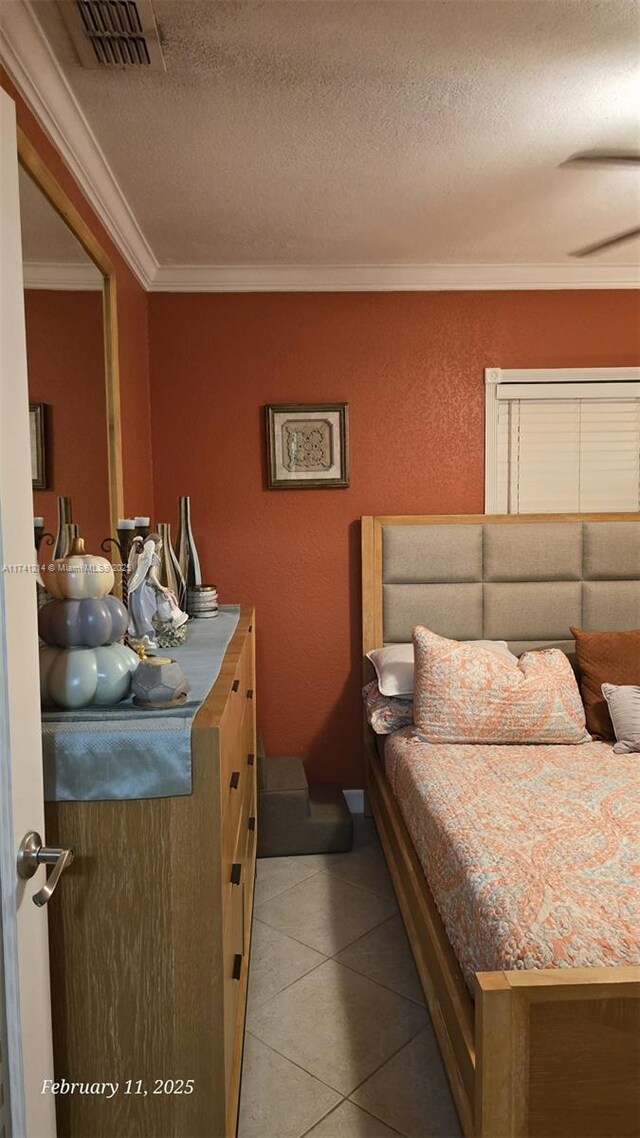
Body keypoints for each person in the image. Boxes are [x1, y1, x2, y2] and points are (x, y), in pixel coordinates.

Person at [127, 533, 188, 648]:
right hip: (145, 589)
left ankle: (138, 635)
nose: (161, 544)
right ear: (155, 544)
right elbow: (152, 576)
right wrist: (161, 587)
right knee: (145, 611)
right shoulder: (153, 557)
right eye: (160, 542)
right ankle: (147, 636)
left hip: (135, 586)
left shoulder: (141, 554)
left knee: (138, 611)